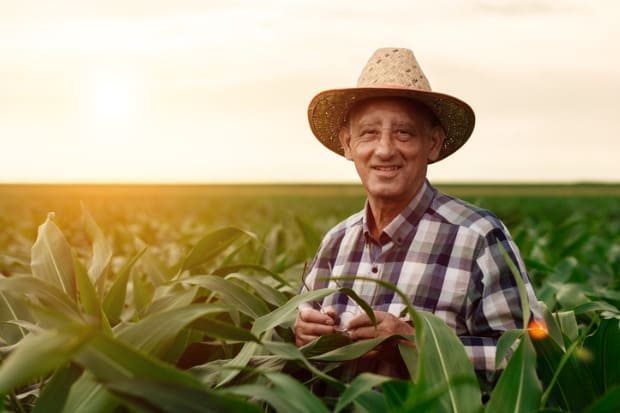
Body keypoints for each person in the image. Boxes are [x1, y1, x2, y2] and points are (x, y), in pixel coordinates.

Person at [294, 47, 540, 389]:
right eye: (368, 133)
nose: (384, 149)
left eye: (403, 133)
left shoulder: (477, 237)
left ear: (433, 144)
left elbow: (527, 354)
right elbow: (302, 341)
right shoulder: (336, 242)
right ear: (348, 145)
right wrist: (304, 335)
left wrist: (417, 343)